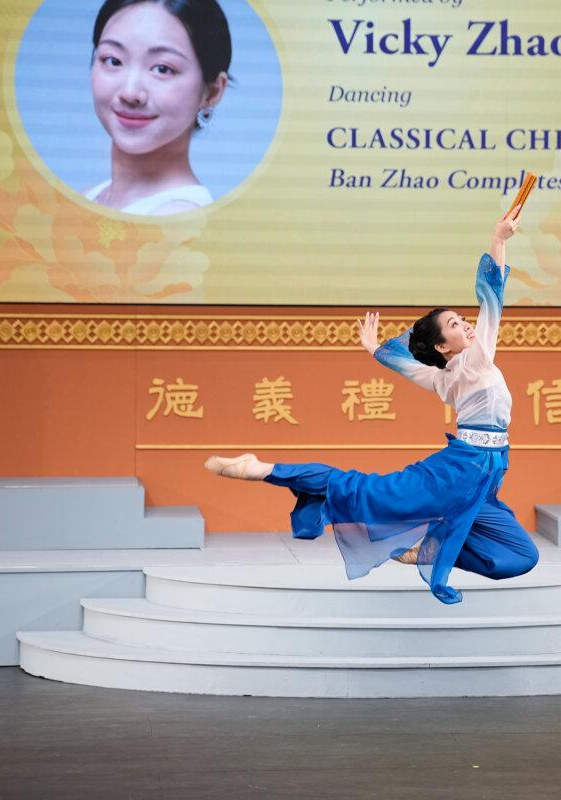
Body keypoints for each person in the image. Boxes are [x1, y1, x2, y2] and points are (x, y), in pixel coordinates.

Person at [205, 208, 539, 604]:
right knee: (366, 490)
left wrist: (375, 349)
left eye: (463, 319)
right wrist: (498, 240)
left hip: (484, 478)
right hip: (458, 473)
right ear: (442, 347)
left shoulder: (443, 378)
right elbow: (491, 299)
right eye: (455, 325)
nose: (467, 325)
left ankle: (429, 546)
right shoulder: (473, 360)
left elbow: (407, 367)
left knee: (521, 556)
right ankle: (265, 469)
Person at [84, 0, 231, 215]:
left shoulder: (177, 217)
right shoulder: (88, 197)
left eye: (163, 69)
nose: (130, 93)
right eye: (113, 61)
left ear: (212, 92)